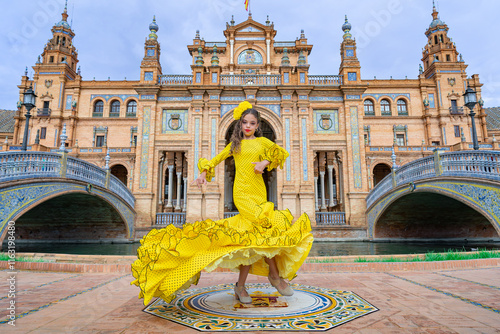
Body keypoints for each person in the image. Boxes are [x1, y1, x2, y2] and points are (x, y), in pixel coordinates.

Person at [131, 101, 314, 306]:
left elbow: (281, 153)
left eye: (252, 123)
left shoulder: (263, 143)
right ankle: (275, 276)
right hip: (242, 194)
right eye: (244, 122)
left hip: (259, 193)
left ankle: (241, 286)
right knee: (262, 231)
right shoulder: (234, 145)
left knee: (250, 240)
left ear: (257, 126)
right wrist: (202, 174)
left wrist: (265, 163)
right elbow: (216, 159)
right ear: (240, 124)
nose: (247, 126)